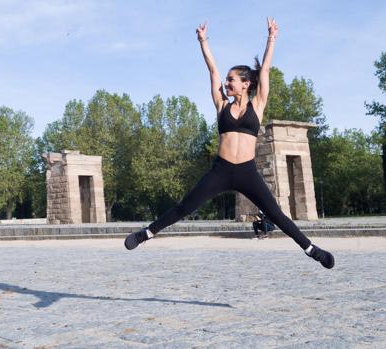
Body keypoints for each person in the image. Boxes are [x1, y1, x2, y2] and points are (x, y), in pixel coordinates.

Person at [124, 18, 334, 269]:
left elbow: (265, 70)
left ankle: (312, 249)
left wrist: (271, 38)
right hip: (221, 170)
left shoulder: (257, 105)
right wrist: (203, 42)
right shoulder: (222, 105)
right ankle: (145, 234)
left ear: (246, 84)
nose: (227, 82)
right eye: (227, 79)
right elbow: (212, 71)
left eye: (231, 79)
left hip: (246, 172)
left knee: (277, 215)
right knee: (185, 206)